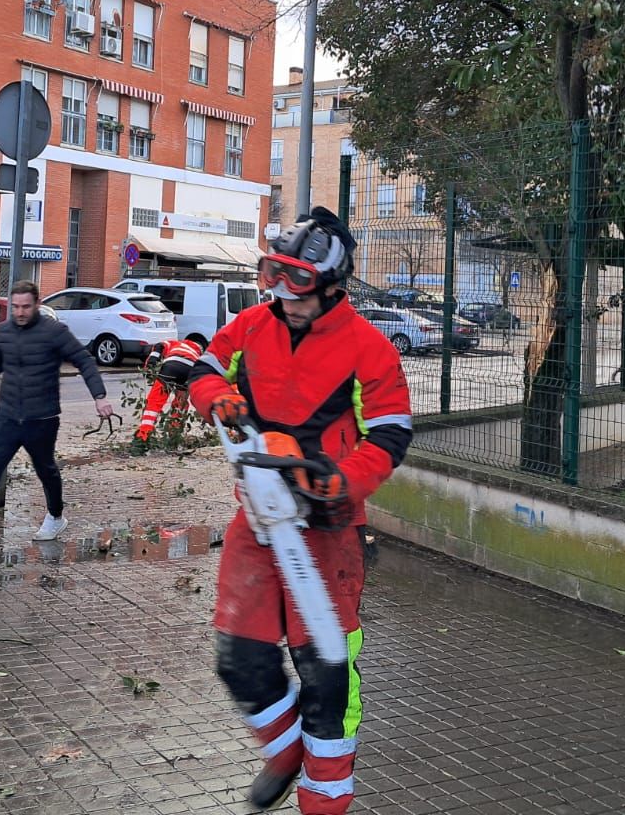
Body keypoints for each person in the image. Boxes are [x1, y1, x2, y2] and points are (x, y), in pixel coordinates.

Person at [188, 207, 413, 815]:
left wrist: (340, 481)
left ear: (332, 286)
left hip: (329, 529)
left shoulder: (368, 348)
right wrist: (220, 401)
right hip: (258, 517)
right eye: (277, 278)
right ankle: (286, 753)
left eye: (299, 284)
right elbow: (205, 369)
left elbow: (390, 433)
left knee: (326, 679)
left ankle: (324, 802)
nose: (284, 295)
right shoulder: (253, 325)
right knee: (240, 660)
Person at [0, 280, 115, 554]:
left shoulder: (55, 332)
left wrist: (100, 396)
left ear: (37, 305)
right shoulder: (5, 332)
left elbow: (84, 361)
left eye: (25, 307)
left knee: (45, 469)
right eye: (15, 307)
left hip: (42, 419)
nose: (20, 312)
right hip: (7, 417)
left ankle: (56, 517)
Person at [135, 337, 203, 442]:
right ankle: (174, 433)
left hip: (171, 366)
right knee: (181, 403)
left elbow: (159, 346)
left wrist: (150, 364)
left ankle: (143, 435)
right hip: (190, 370)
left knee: (154, 403)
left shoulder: (173, 343)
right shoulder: (197, 352)